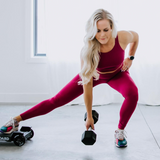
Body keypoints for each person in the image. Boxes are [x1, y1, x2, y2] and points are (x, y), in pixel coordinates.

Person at [0, 9, 139, 148]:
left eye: (105, 30)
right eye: (97, 31)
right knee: (56, 100)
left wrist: (130, 57)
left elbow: (136, 37)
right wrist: (89, 115)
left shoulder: (122, 37)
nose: (102, 35)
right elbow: (87, 86)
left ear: (112, 27)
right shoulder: (88, 50)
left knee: (132, 93)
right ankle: (16, 120)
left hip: (117, 74)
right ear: (92, 31)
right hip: (94, 76)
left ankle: (120, 131)